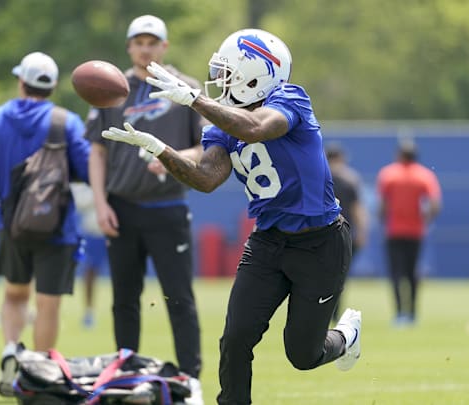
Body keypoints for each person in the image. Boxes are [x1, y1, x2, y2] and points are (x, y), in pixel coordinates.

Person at [102, 28, 363, 405]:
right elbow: (207, 178)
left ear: (256, 72)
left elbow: (256, 128)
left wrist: (194, 100)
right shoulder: (223, 123)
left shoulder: (289, 98)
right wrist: (160, 149)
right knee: (236, 337)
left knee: (302, 355)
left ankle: (345, 337)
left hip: (319, 241)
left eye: (229, 72)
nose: (221, 81)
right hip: (268, 240)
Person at [84, 14, 206, 404]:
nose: (145, 47)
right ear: (129, 46)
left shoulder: (184, 88)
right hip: (121, 207)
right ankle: (127, 374)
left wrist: (171, 155)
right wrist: (100, 203)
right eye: (139, 41)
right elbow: (97, 151)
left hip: (168, 206)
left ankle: (191, 378)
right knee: (124, 297)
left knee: (179, 297)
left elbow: (208, 148)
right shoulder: (109, 88)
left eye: (153, 41)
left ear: (164, 47)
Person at [0, 51, 91, 397]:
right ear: (51, 87)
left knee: (15, 294)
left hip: (12, 223)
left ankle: (10, 347)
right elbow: (86, 169)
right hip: (58, 227)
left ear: (22, 82)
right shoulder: (66, 122)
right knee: (48, 304)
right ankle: (37, 373)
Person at [376, 139, 441, 327]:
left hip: (394, 231)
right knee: (412, 273)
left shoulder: (389, 174)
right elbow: (435, 204)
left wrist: (383, 221)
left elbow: (382, 205)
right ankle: (412, 313)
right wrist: (425, 220)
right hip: (416, 231)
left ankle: (399, 314)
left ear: (399, 155)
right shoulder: (425, 176)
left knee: (396, 273)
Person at [326, 143, 368, 321]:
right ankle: (335, 312)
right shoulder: (350, 179)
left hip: (321, 234)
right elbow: (357, 209)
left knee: (323, 276)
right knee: (339, 277)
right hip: (344, 234)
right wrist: (362, 232)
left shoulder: (319, 178)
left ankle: (326, 312)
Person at [70, 182, 108, 329]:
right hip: (93, 231)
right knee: (90, 271)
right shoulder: (83, 175)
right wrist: (99, 195)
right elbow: (79, 201)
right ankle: (89, 312)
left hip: (117, 229)